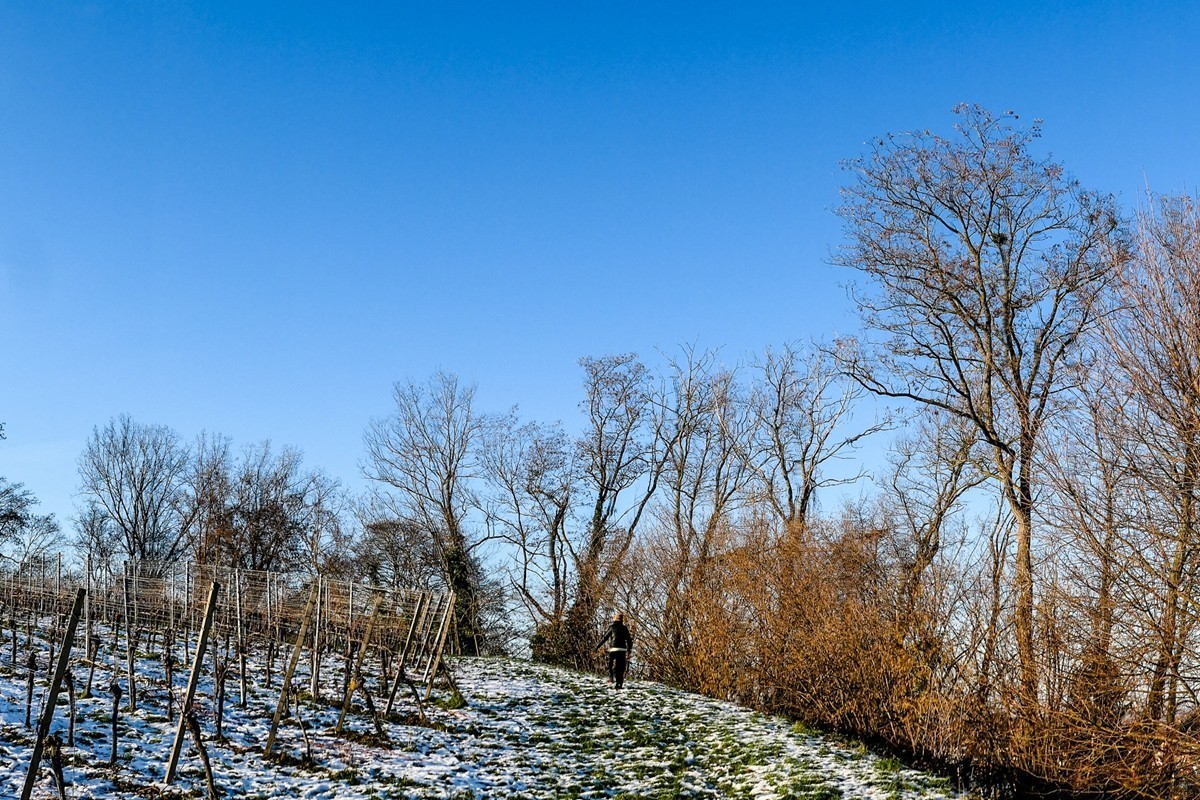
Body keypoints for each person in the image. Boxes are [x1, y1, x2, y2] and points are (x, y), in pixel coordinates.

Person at [596, 611, 633, 689]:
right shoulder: (624, 628)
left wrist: (597, 647)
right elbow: (629, 640)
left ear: (615, 619)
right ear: (622, 620)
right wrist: (629, 650)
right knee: (620, 667)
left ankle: (611, 678)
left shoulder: (612, 627)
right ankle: (619, 683)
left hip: (613, 649)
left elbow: (605, 638)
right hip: (622, 650)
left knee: (610, 665)